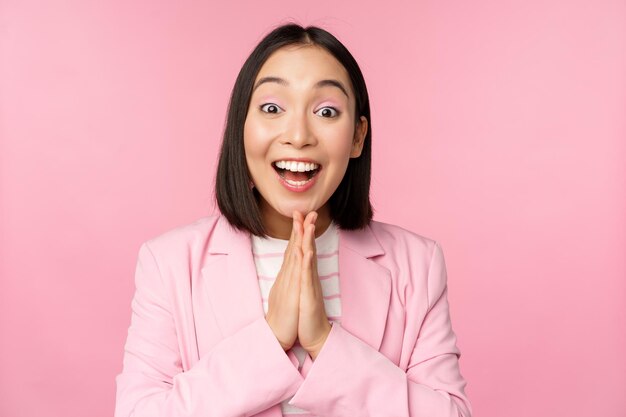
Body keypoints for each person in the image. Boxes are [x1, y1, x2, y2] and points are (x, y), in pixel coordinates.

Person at [115, 23, 472, 417]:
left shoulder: (417, 265)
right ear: (242, 127)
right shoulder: (167, 263)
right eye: (272, 108)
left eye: (326, 111)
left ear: (357, 137)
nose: (298, 135)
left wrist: (324, 341)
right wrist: (270, 339)